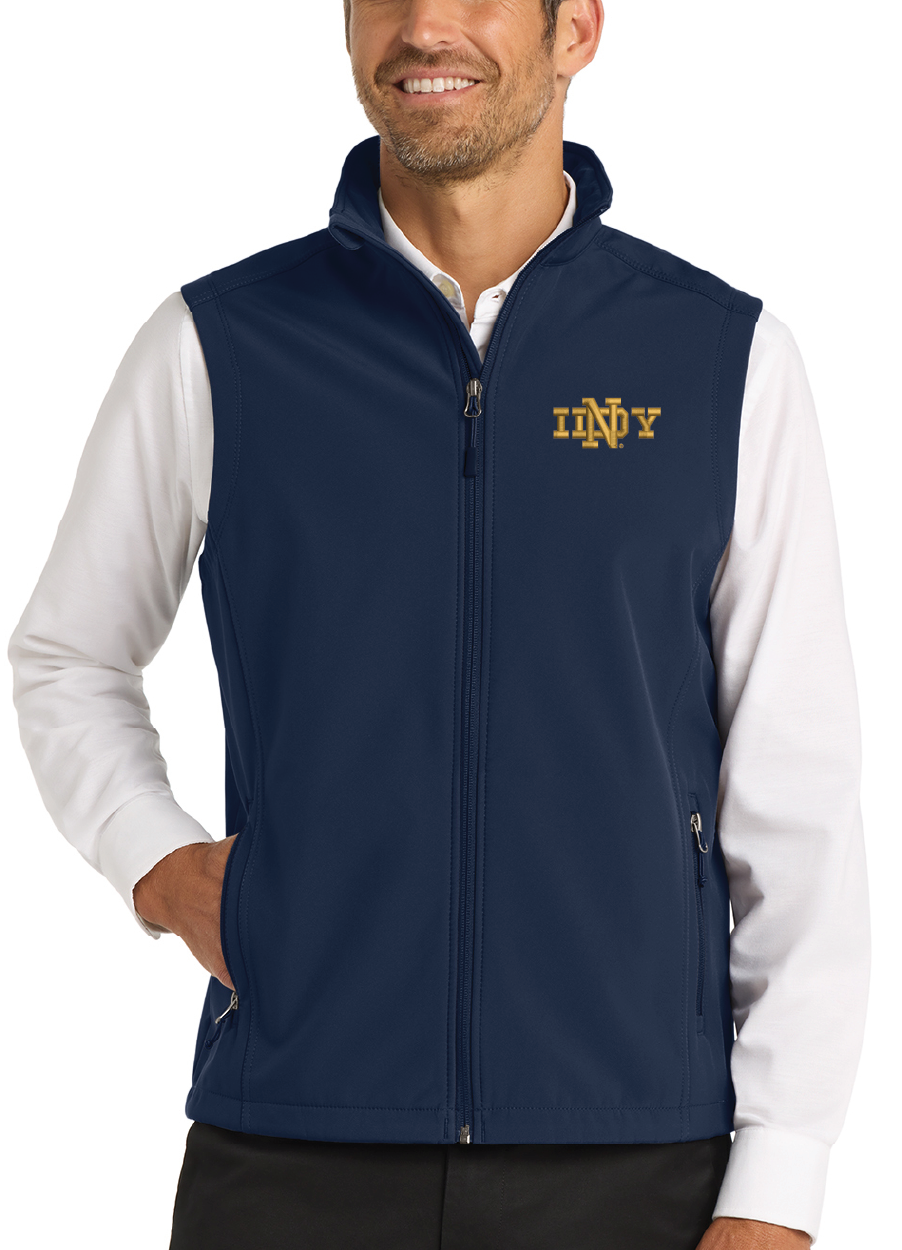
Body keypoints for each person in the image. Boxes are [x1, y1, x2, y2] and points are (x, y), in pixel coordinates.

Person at [7, 2, 870, 1247]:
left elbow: (797, 786)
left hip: (631, 1154)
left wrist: (778, 1180)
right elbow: (67, 654)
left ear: (575, 29)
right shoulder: (219, 345)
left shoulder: (722, 359)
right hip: (291, 1146)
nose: (424, 25)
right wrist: (157, 860)